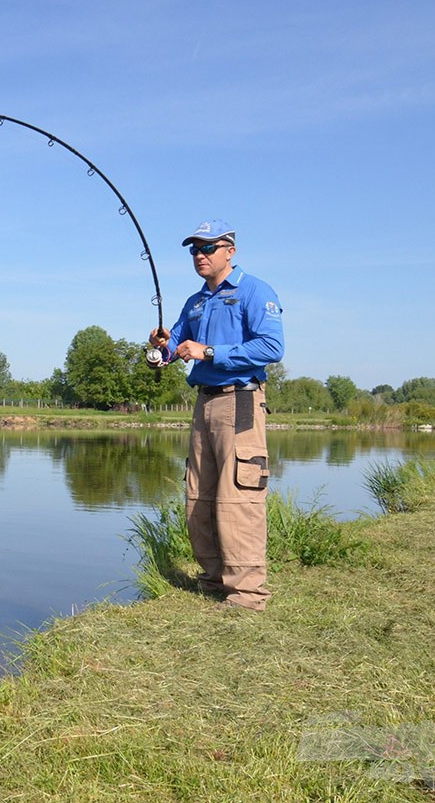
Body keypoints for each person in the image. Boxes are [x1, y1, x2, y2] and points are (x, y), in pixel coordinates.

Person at [149, 219, 284, 611]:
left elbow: (272, 347)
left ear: (230, 251)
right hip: (204, 401)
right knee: (199, 493)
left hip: (240, 400)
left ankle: (246, 595)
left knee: (238, 495)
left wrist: (208, 352)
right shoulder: (194, 302)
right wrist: (161, 350)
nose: (200, 255)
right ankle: (212, 581)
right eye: (194, 249)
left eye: (208, 248)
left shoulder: (256, 291)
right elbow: (171, 348)